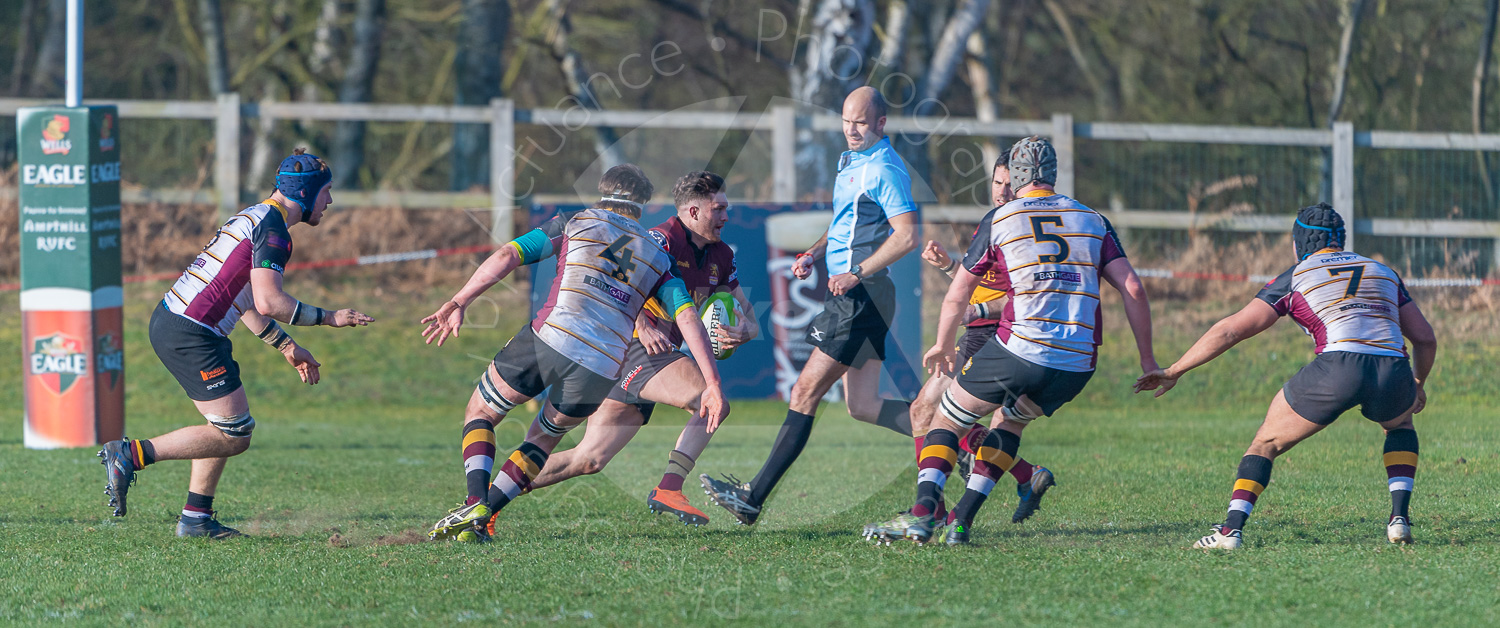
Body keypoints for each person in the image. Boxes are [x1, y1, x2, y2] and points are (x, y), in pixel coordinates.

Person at [866, 136, 1158, 545]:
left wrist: (942, 342)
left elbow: (959, 293)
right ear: (1053, 174)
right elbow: (1133, 288)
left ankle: (922, 513)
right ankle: (961, 523)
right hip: (1076, 363)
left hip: (1020, 348)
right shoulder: (1092, 218)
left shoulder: (1003, 217)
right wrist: (1148, 361)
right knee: (1012, 422)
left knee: (946, 419)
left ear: (1018, 176)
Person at [422, 164, 728, 543]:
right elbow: (687, 317)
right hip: (600, 367)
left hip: (552, 337)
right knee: (541, 441)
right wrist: (712, 382)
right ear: (642, 205)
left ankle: (474, 501)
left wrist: (460, 299)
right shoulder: (658, 255)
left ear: (602, 191)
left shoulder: (575, 221)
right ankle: (480, 516)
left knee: (482, 412)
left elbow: (508, 254)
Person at [99, 149, 374, 539]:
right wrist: (330, 317)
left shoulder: (257, 216)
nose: (329, 202)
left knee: (226, 425)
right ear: (307, 193)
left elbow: (245, 300)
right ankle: (130, 455)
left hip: (180, 324)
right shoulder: (274, 230)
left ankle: (196, 519)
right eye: (326, 192)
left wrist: (285, 346)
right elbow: (269, 302)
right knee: (235, 434)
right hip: (190, 331)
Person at [1135, 203, 1437, 549]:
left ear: (1299, 243)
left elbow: (1231, 331)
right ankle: (1399, 519)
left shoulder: (1296, 275)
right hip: (1392, 366)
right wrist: (1417, 383)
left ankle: (1230, 531)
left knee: (1266, 443)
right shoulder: (1382, 271)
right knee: (1399, 426)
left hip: (1338, 366)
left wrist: (1176, 369)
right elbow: (1425, 338)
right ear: (1341, 240)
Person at [700, 86, 920, 525]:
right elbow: (844, 224)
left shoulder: (885, 169)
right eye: (846, 121)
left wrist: (856, 272)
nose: (852, 130)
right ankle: (966, 441)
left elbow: (907, 236)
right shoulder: (852, 164)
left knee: (803, 392)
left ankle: (753, 498)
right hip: (860, 295)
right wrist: (815, 254)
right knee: (863, 406)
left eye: (861, 122)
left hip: (861, 296)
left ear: (881, 124)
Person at [519, 171, 760, 526]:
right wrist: (641, 324)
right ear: (692, 211)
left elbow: (750, 316)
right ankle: (669, 487)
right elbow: (612, 284)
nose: (726, 216)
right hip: (635, 349)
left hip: (650, 359)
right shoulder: (659, 240)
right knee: (709, 400)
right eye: (718, 208)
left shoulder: (722, 255)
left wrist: (746, 330)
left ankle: (490, 497)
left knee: (588, 458)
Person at [909, 151, 1055, 527]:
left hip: (995, 337)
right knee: (973, 423)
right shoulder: (997, 220)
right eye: (997, 182)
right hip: (989, 335)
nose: (1003, 191)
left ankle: (932, 513)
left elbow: (1027, 295)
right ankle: (1025, 475)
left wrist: (978, 313)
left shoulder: (1020, 223)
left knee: (929, 412)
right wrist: (947, 267)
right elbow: (978, 287)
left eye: (1011, 183)